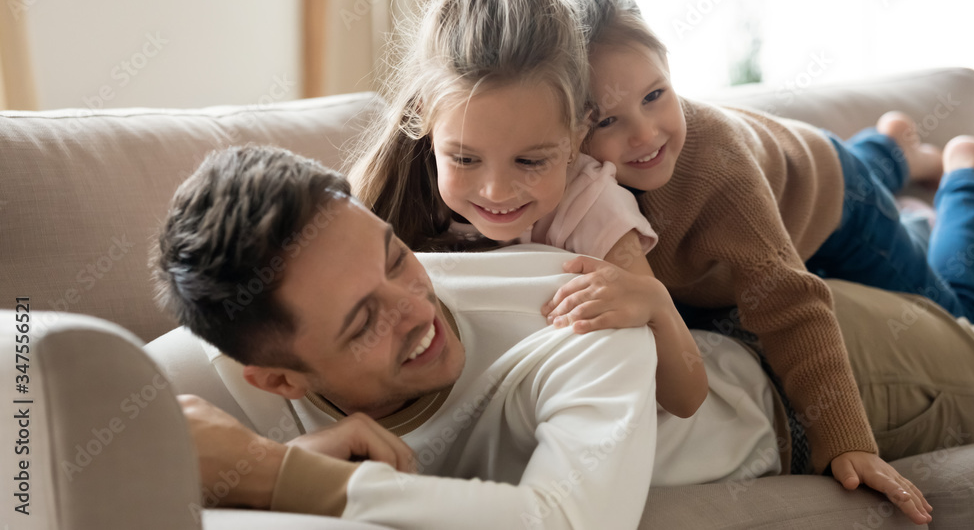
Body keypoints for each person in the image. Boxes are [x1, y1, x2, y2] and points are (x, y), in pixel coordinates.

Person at [547, 0, 974, 510]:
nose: (644, 134)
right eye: (607, 121)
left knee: (960, 318)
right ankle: (890, 146)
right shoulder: (568, 185)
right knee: (848, 164)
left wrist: (846, 440)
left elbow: (790, 298)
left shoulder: (714, 170)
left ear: (672, 70)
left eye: (655, 95)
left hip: (836, 203)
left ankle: (968, 174)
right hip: (785, 167)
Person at [154, 145, 789, 528]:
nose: (414, 307)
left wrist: (275, 474)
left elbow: (567, 523)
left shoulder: (576, 316)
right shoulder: (239, 350)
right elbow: (62, 404)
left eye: (396, 257)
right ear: (279, 379)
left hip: (790, 397)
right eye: (363, 321)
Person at [345, 0, 707, 417]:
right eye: (464, 159)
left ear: (578, 135)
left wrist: (655, 304)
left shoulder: (590, 208)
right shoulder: (388, 193)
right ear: (424, 118)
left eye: (531, 162)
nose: (497, 191)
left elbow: (687, 397)